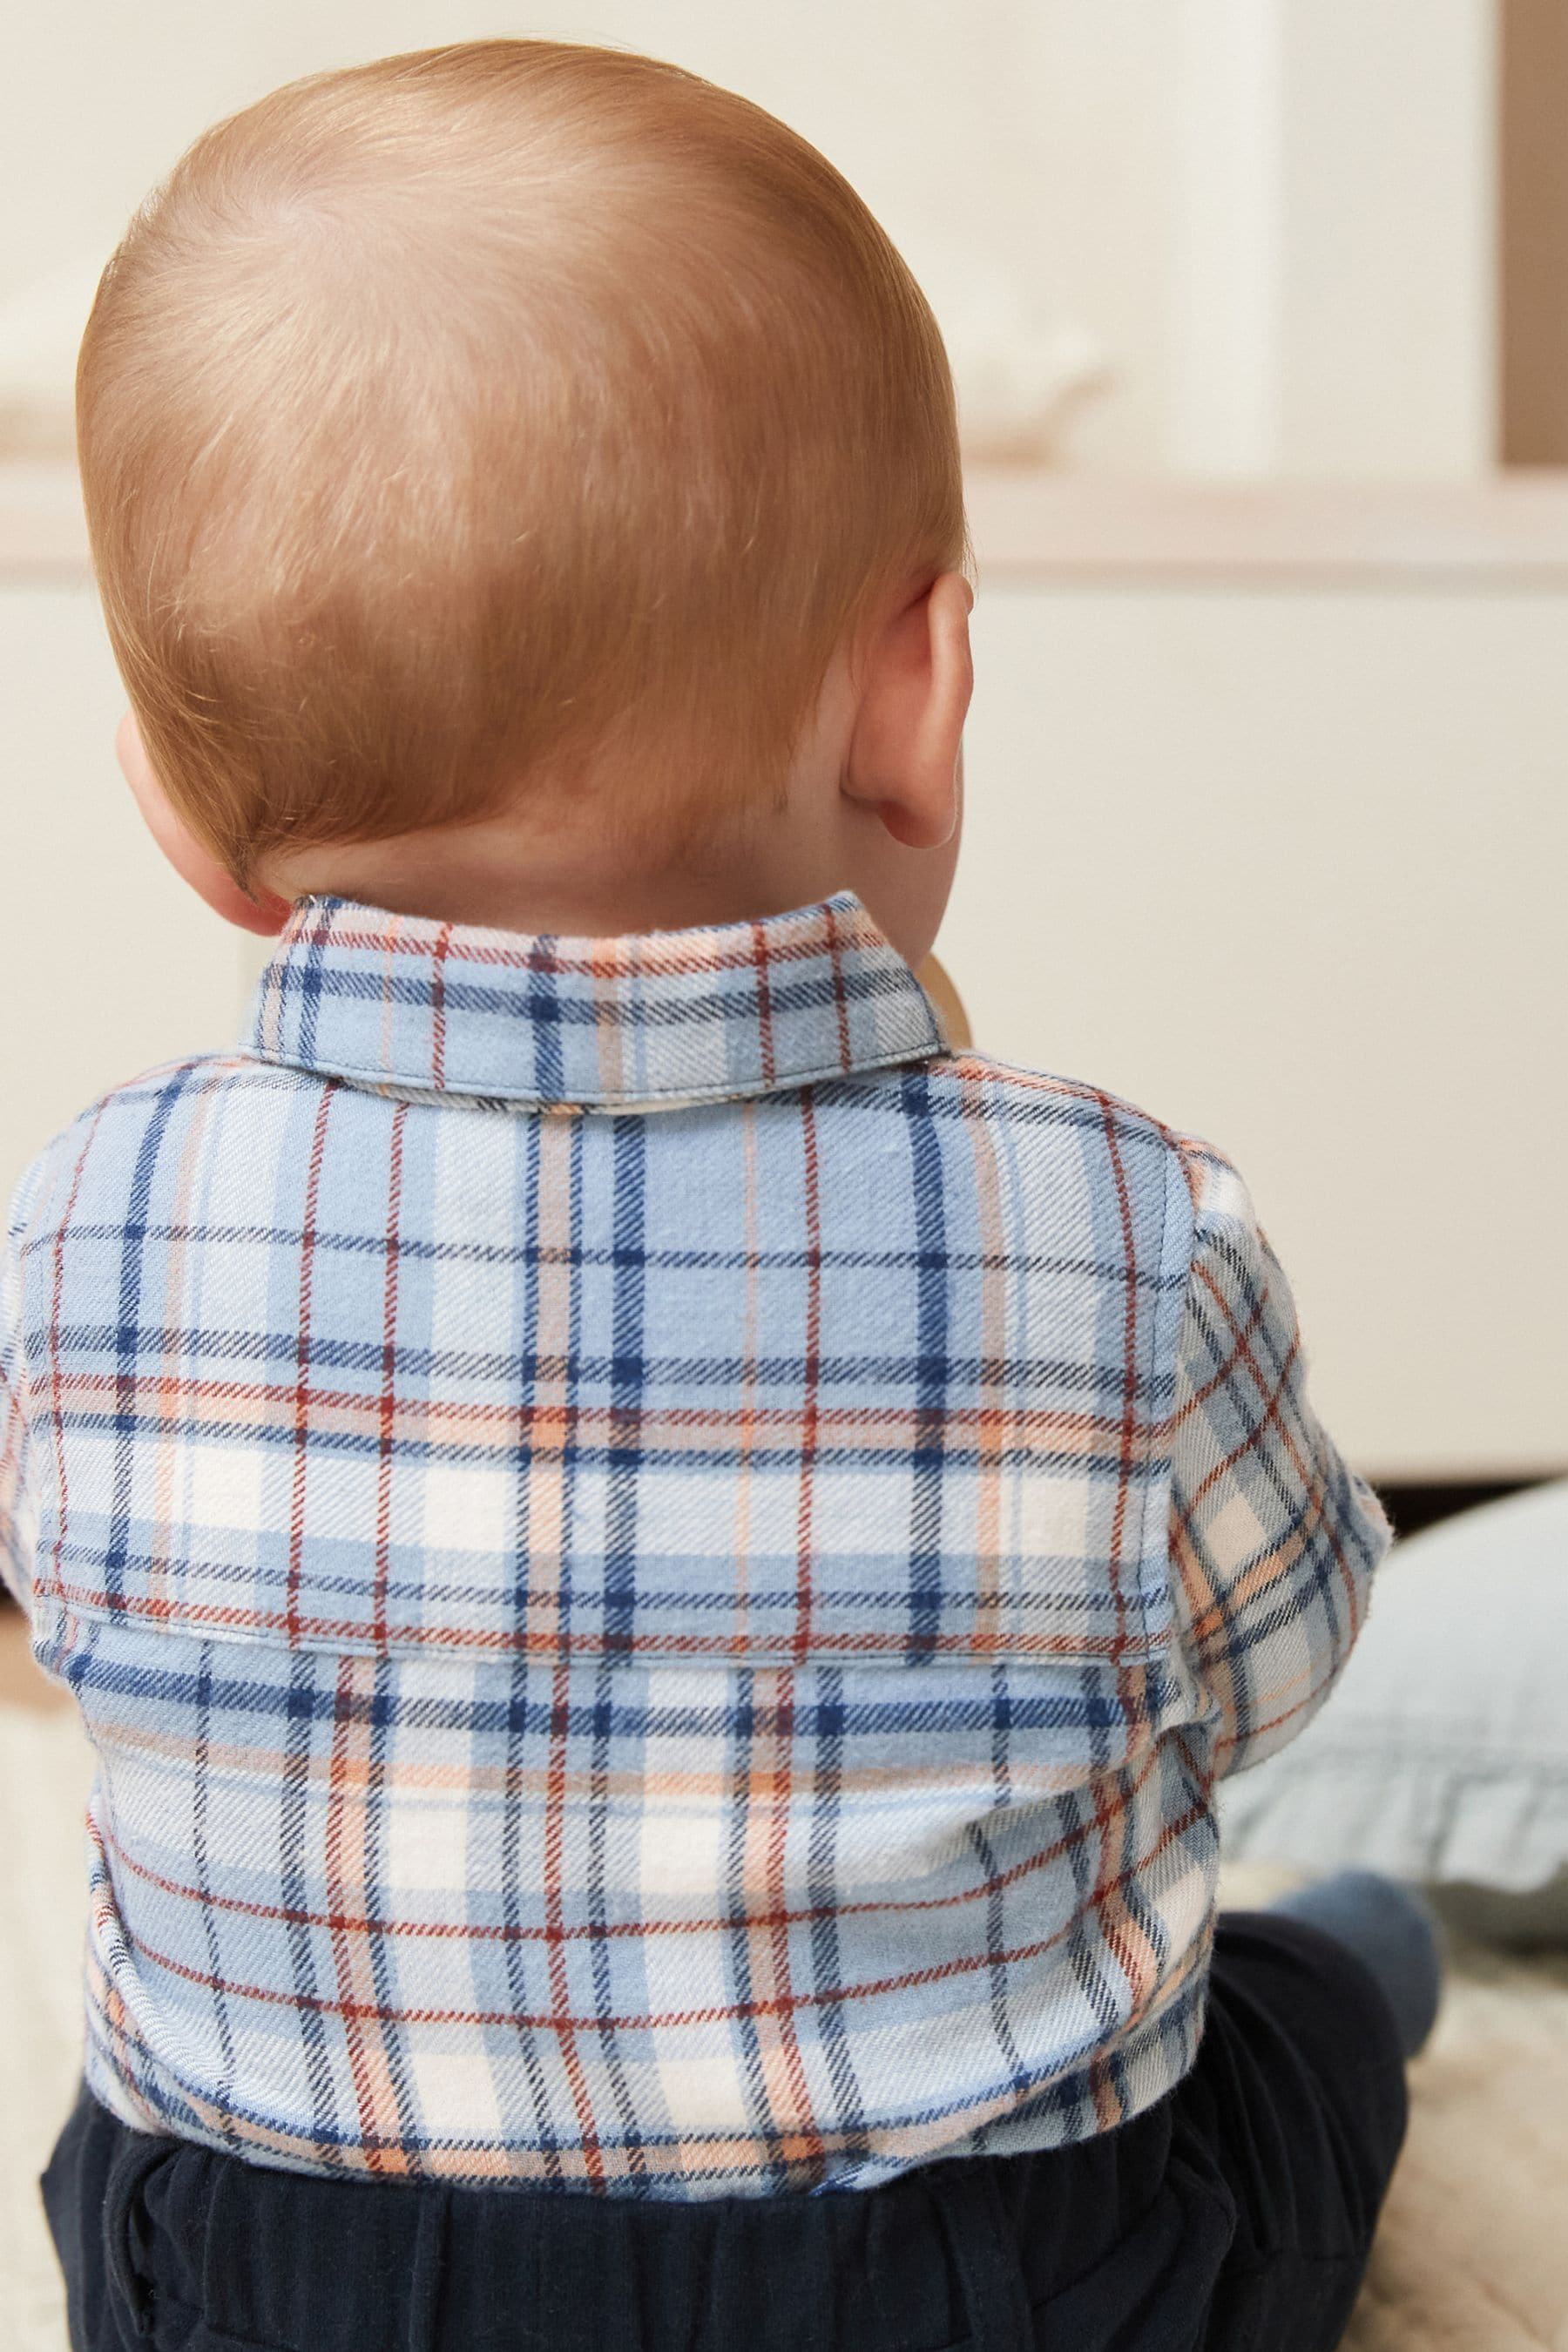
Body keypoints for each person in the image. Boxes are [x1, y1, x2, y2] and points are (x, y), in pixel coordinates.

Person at [0, 40, 1438, 2352]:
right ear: (920, 693)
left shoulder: (86, 1220)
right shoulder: (1126, 1221)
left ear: (175, 803)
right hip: (976, 2289)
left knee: (111, 2113)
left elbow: (83, 1644)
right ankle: (1376, 1957)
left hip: (268, 2280)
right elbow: (1274, 1668)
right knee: (1301, 2005)